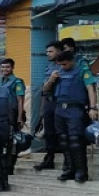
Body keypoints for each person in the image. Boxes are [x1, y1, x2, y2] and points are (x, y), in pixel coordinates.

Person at [50, 51, 99, 183]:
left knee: (76, 141)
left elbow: (90, 89)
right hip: (59, 108)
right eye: (60, 64)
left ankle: (81, 172)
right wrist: (51, 79)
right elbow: (46, 89)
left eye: (65, 64)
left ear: (72, 61)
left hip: (75, 109)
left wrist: (93, 108)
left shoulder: (83, 71)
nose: (63, 67)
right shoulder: (57, 72)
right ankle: (68, 170)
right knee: (63, 141)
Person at [36, 42, 63, 171]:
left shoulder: (67, 66)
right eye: (47, 52)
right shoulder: (49, 67)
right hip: (50, 101)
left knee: (64, 132)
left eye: (50, 51)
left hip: (63, 103)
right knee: (49, 132)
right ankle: (49, 158)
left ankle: (69, 163)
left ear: (59, 51)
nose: (48, 54)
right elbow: (45, 88)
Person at [0, 58, 26, 175]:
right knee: (0, 142)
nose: (5, 69)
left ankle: (9, 167)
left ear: (12, 68)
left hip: (12, 116)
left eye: (7, 67)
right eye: (3, 67)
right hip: (0, 116)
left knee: (12, 143)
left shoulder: (17, 82)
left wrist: (19, 117)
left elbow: (20, 101)